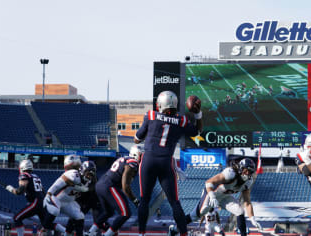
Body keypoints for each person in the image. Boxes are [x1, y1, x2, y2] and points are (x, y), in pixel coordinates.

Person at [135, 90, 203, 236]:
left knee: (144, 200)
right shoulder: (182, 120)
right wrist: (198, 114)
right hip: (166, 162)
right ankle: (184, 233)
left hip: (148, 161)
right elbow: (197, 132)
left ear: (161, 104)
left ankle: (141, 233)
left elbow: (138, 137)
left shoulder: (151, 115)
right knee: (175, 202)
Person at [179, 158, 262, 236]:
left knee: (239, 211)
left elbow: (247, 202)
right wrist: (212, 196)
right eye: (246, 170)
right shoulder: (230, 173)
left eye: (250, 172)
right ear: (241, 168)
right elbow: (208, 182)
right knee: (196, 215)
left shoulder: (248, 181)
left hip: (224, 197)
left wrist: (252, 219)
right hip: (212, 194)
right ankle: (176, 228)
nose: (248, 173)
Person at [88, 145, 144, 236]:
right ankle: (107, 235)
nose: (143, 158)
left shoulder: (124, 158)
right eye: (142, 155)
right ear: (136, 154)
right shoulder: (132, 162)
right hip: (109, 186)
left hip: (100, 185)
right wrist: (135, 201)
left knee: (108, 212)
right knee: (125, 213)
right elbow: (125, 186)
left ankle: (90, 232)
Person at [42, 155, 88, 236]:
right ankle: (63, 230)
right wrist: (49, 194)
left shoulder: (82, 175)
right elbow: (57, 184)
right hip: (57, 199)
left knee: (80, 216)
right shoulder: (72, 173)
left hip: (68, 201)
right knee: (53, 212)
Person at [5, 159, 48, 236]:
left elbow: (19, 191)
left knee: (17, 218)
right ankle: (64, 231)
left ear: (22, 167)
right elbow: (43, 192)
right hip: (42, 202)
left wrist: (11, 189)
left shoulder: (24, 175)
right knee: (47, 224)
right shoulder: (36, 176)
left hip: (35, 202)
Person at [65, 161, 100, 236]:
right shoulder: (75, 177)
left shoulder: (94, 179)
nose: (90, 175)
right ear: (82, 170)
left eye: (92, 173)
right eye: (88, 173)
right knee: (74, 220)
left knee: (99, 220)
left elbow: (93, 190)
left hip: (92, 199)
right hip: (79, 200)